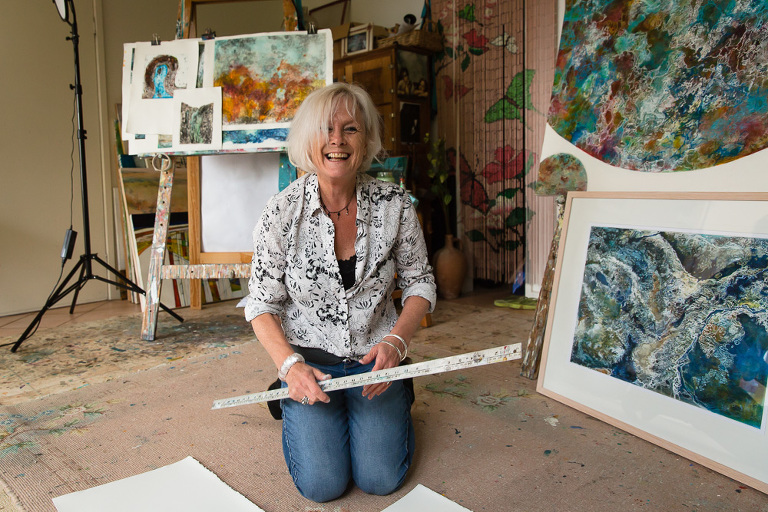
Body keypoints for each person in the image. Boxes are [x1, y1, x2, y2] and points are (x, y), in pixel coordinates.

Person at [243, 82, 436, 503]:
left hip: (374, 364)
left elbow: (420, 282)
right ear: (307, 140)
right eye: (325, 130)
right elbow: (261, 303)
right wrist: (290, 366)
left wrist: (397, 343)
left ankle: (399, 391)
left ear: (365, 140)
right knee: (323, 486)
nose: (336, 141)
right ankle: (289, 394)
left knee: (380, 479)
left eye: (350, 129)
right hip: (312, 365)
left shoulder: (396, 204)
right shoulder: (281, 211)